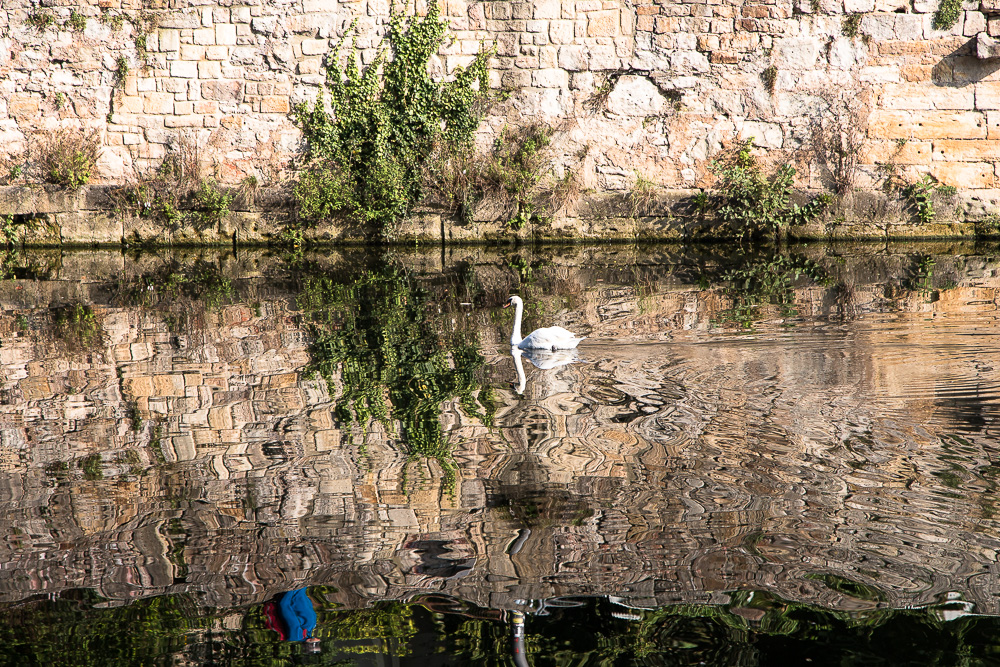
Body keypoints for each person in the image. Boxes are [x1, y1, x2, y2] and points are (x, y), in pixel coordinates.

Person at [264, 587, 321, 653]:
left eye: (315, 645)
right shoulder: (308, 632)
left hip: (294, 590)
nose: (318, 641)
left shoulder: (297, 635)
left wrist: (293, 588)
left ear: (309, 643)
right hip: (300, 590)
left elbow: (284, 606)